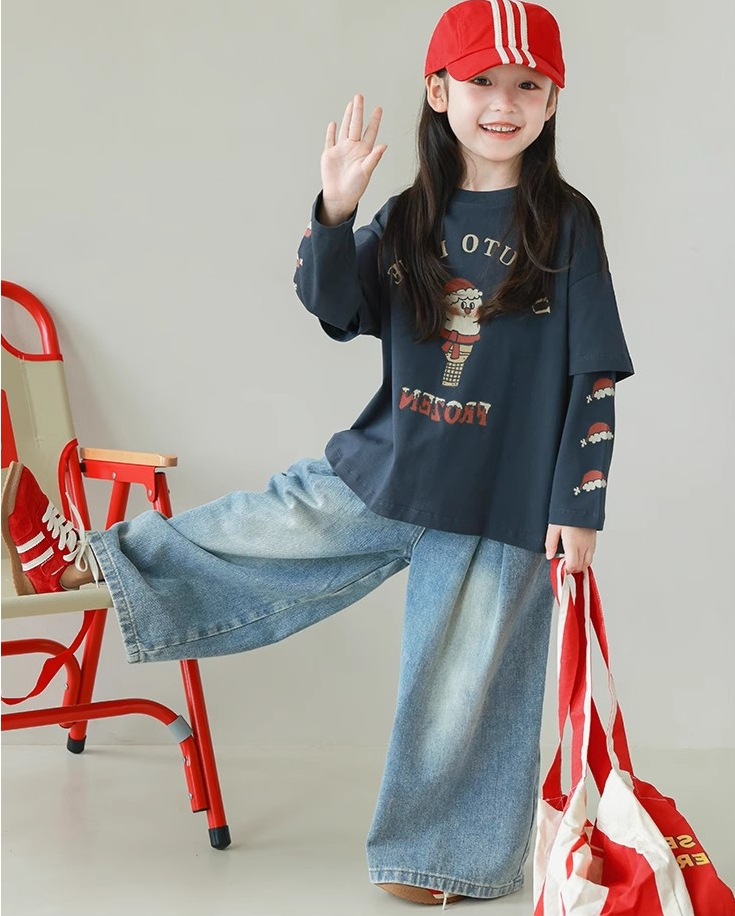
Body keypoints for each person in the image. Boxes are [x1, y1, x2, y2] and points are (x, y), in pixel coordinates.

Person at [2, 0, 633, 907]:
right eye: (482, 81)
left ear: (551, 101)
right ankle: (86, 562)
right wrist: (336, 211)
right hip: (390, 464)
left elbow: (593, 371)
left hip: (503, 496)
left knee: (466, 684)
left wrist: (578, 503)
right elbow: (334, 305)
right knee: (253, 531)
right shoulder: (410, 215)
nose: (504, 103)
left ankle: (443, 861)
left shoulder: (566, 224)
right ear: (439, 91)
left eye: (527, 86)